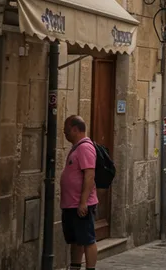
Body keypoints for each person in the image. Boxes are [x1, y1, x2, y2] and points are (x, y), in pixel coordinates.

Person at [61, 115, 98, 270]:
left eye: (67, 130)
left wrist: (83, 202)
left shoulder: (85, 148)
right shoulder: (77, 148)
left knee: (87, 239)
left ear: (75, 129)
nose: (65, 133)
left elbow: (89, 175)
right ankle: (75, 266)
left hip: (81, 204)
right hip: (72, 203)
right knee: (76, 240)